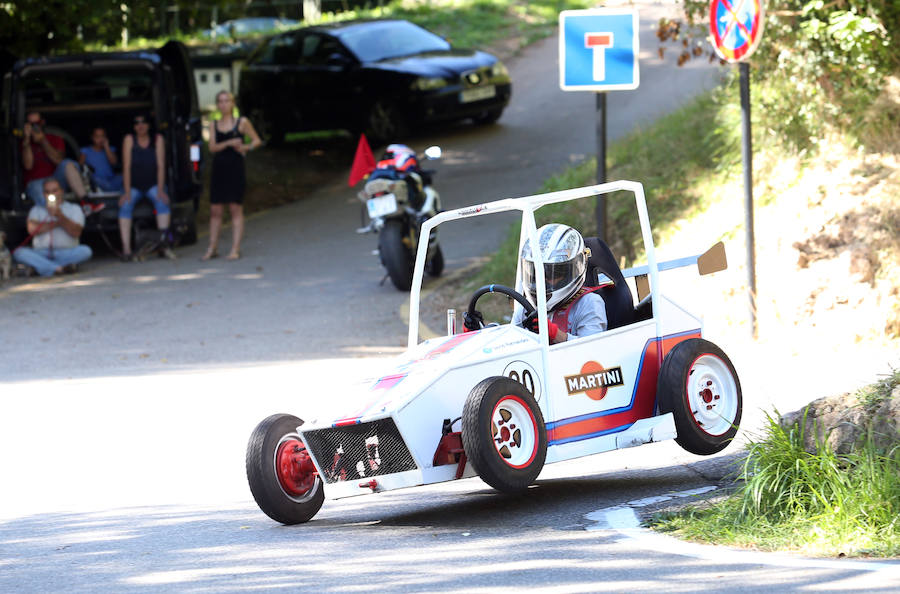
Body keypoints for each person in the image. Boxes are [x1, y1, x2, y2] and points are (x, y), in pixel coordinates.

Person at [466, 224, 607, 344]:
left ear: (572, 271)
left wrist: (554, 333)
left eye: (554, 273)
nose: (543, 280)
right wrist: (478, 335)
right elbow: (513, 344)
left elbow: (593, 353)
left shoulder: (589, 303)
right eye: (536, 273)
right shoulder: (527, 307)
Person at [202, 90, 261, 261]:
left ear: (233, 103)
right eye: (220, 101)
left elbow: (256, 140)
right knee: (215, 210)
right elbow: (212, 147)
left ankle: (235, 248)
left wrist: (246, 147)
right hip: (219, 170)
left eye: (227, 101)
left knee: (235, 208)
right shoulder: (213, 124)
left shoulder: (242, 122)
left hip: (236, 169)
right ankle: (212, 247)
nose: (223, 104)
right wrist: (229, 142)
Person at [118, 113, 175, 261]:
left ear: (149, 125)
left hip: (153, 184)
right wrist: (126, 191)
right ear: (134, 127)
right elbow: (126, 166)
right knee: (125, 206)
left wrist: (161, 189)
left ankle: (164, 245)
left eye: (143, 122)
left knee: (162, 203)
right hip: (135, 185)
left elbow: (161, 166)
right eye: (137, 123)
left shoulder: (157, 140)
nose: (140, 125)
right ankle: (126, 249)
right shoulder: (129, 140)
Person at [13, 178, 92, 277]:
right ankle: (59, 268)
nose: (52, 194)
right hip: (42, 252)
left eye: (55, 190)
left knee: (85, 251)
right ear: (43, 194)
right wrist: (55, 223)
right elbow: (32, 230)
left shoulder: (74, 209)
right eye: (48, 192)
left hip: (66, 251)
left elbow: (76, 232)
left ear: (61, 191)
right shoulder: (36, 209)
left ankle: (41, 268)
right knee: (19, 252)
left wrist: (60, 216)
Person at [21, 111, 87, 207]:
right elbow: (28, 165)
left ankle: (85, 201)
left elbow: (59, 161)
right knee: (47, 202)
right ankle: (53, 216)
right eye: (31, 124)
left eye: (36, 123)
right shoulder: (23, 141)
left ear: (42, 122)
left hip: (56, 179)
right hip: (35, 182)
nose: (34, 127)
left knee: (68, 164)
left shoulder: (55, 138)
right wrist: (26, 140)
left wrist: (43, 141)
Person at [79, 126, 123, 193]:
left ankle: (112, 189)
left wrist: (107, 147)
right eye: (97, 136)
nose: (100, 139)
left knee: (123, 176)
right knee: (95, 180)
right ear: (92, 137)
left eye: (102, 136)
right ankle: (111, 190)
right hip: (96, 180)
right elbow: (80, 167)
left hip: (110, 179)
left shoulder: (110, 149)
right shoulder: (85, 151)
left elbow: (114, 162)